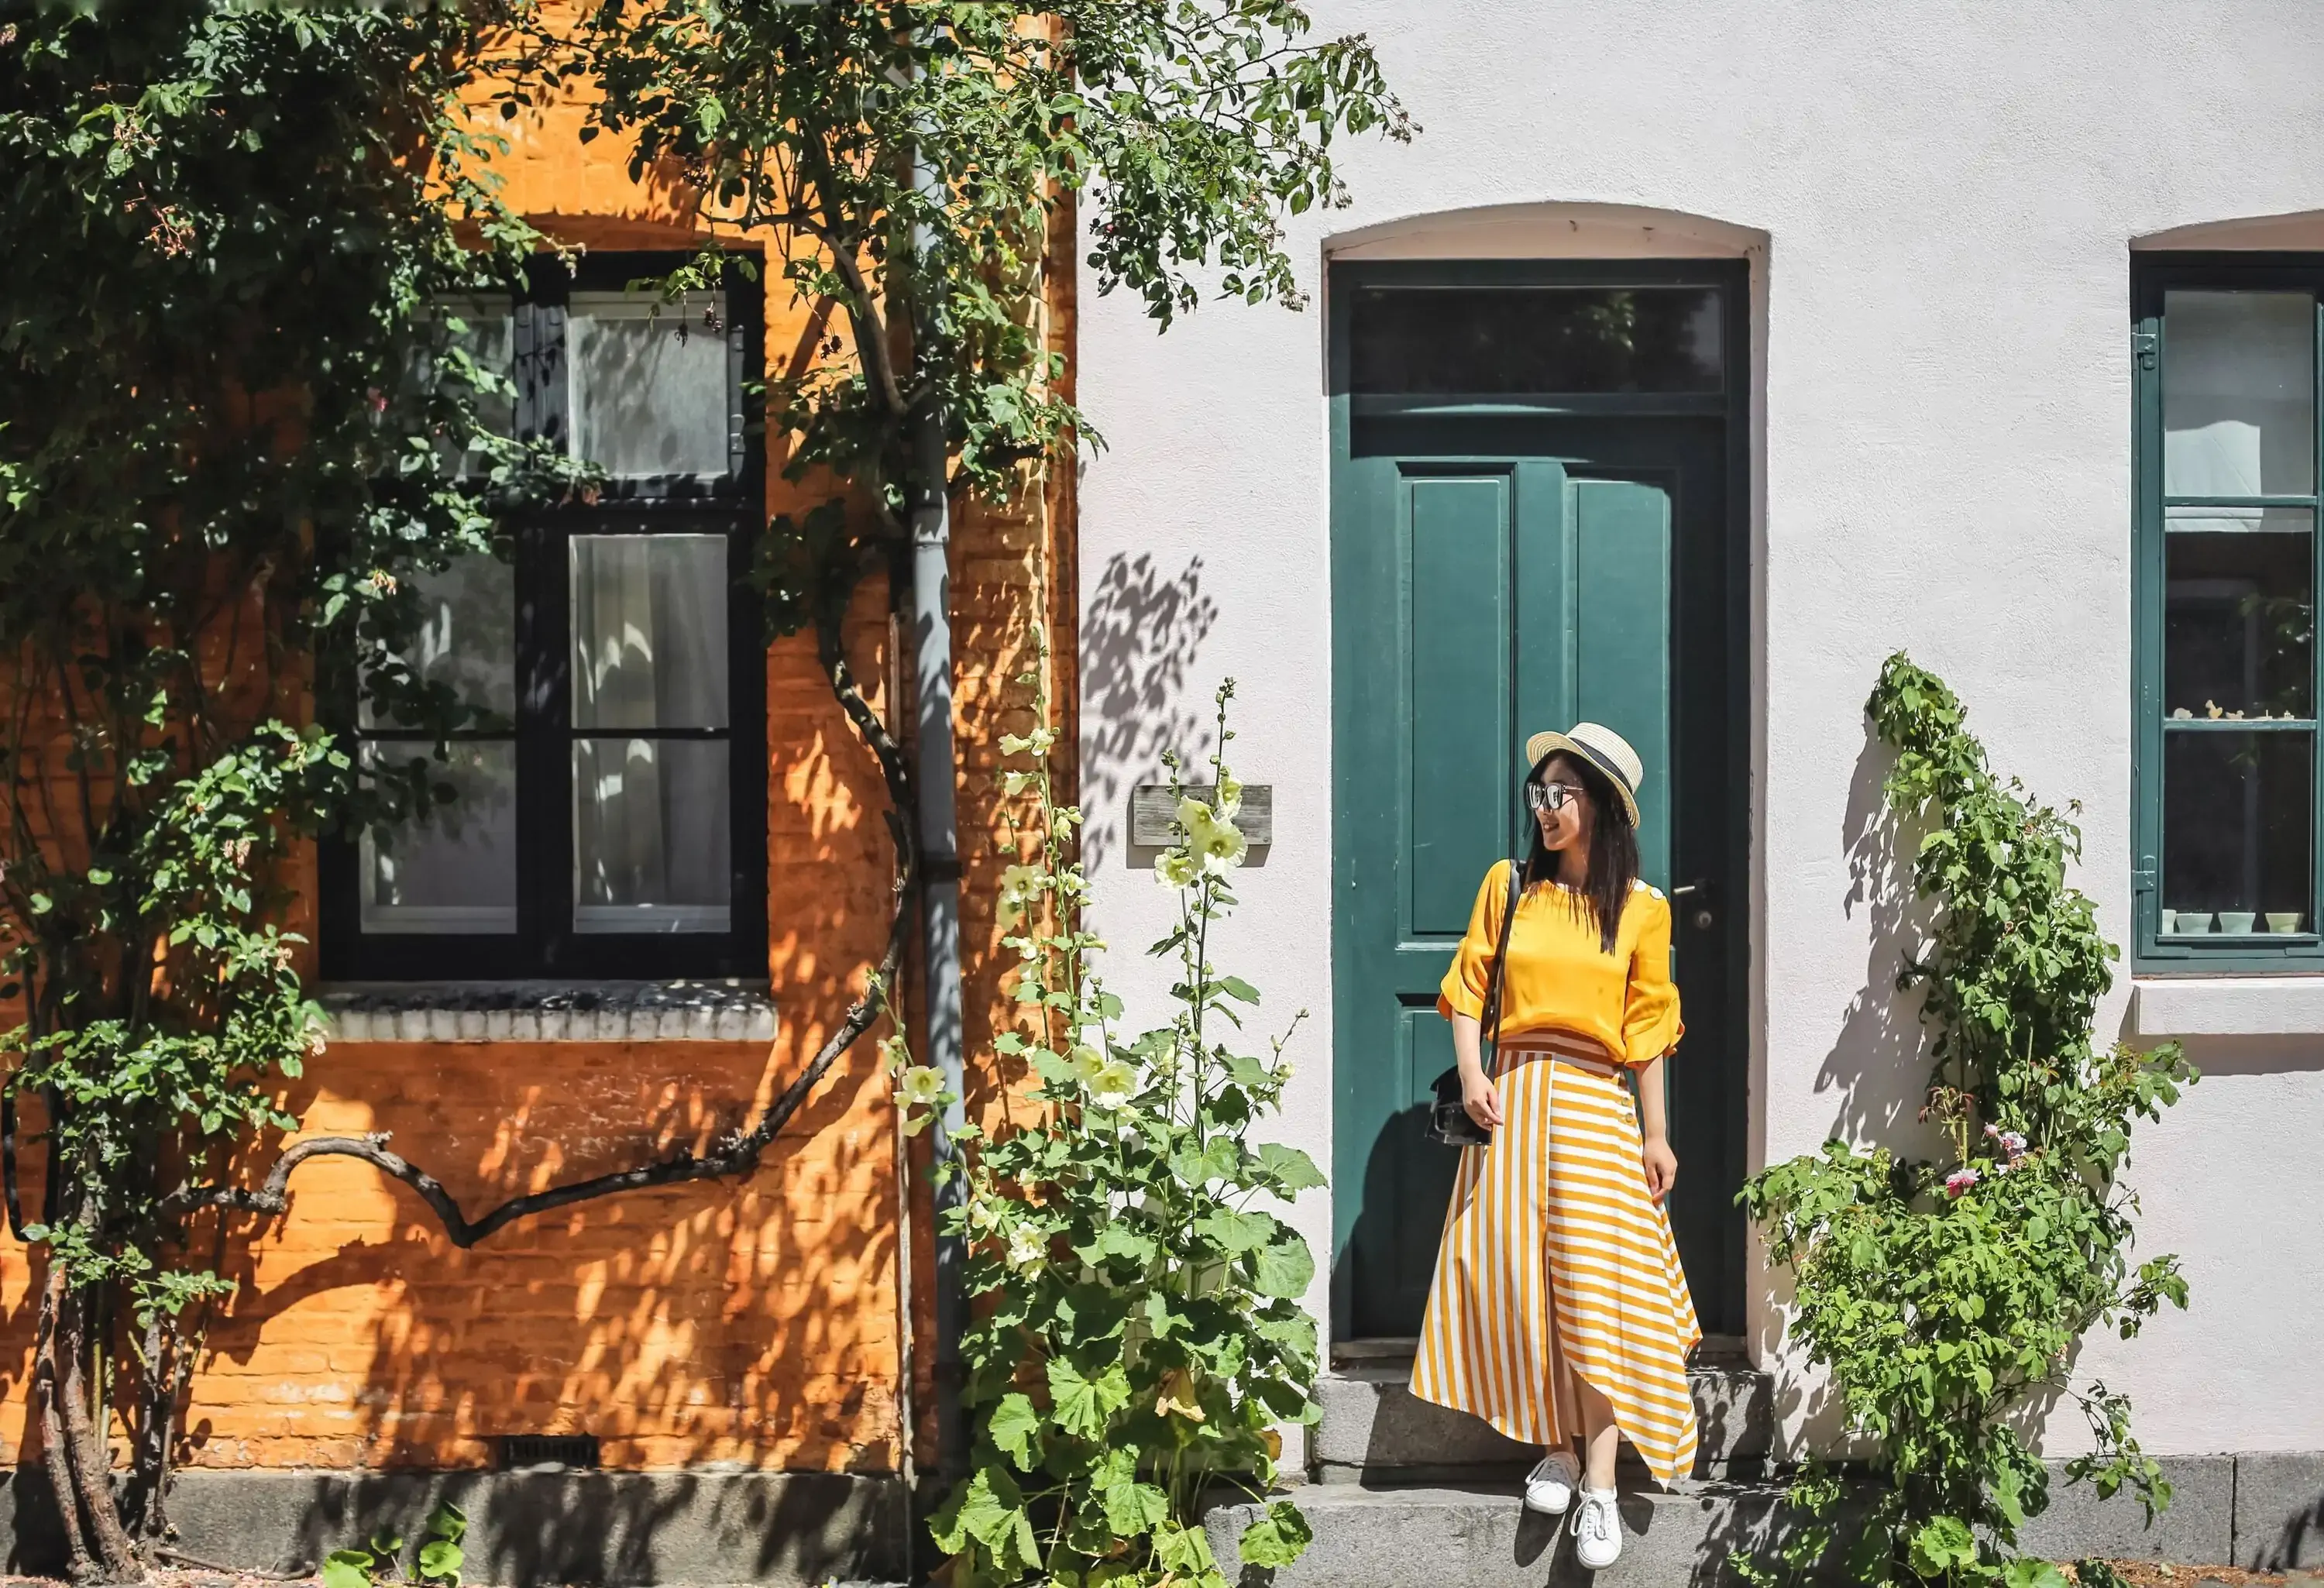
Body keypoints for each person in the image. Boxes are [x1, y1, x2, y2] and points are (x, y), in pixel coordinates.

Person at [1407, 723, 1701, 1571]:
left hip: (1598, 1105)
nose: (1545, 808)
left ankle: (1601, 1481)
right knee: (1524, 1282)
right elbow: (1469, 986)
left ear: (1603, 807)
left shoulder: (1642, 908)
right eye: (1539, 792)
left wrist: (1657, 1131)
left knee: (1599, 1286)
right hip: (1516, 1095)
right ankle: (1559, 1452)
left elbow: (1647, 1027)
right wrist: (1471, 1074)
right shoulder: (1508, 887)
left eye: (1562, 793)